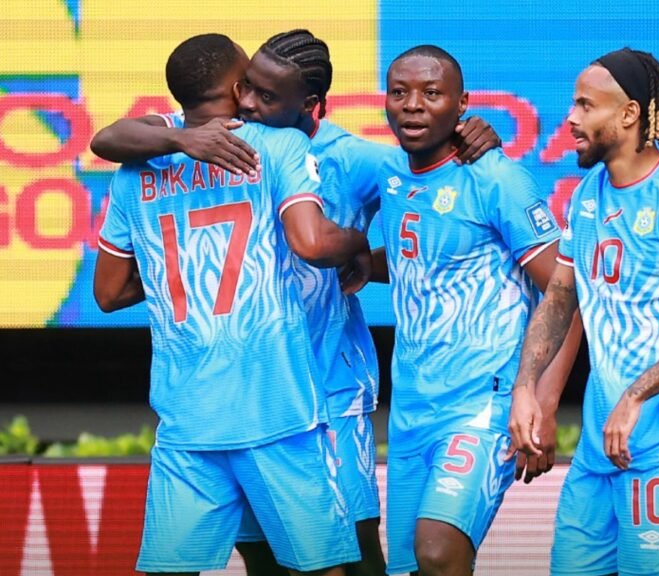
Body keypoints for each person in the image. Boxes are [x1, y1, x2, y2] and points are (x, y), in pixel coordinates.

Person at [90, 29, 502, 576]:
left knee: (353, 544)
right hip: (258, 392)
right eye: (246, 87)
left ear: (310, 104)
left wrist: (470, 136)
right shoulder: (198, 139)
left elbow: (435, 184)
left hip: (328, 384)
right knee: (267, 553)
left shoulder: (352, 158)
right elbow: (107, 138)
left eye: (263, 93)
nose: (248, 102)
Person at [92, 33, 369, 576]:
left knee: (172, 570)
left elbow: (108, 293)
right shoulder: (277, 146)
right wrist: (356, 242)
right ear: (240, 87)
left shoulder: (137, 166)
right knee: (322, 567)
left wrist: (181, 266)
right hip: (278, 408)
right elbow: (312, 244)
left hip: (187, 415)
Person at [508, 47, 659, 576]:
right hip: (598, 450)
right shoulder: (587, 193)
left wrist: (636, 395)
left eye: (586, 106)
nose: (571, 119)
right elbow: (559, 300)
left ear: (630, 114)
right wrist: (526, 388)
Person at [375, 44, 580, 576]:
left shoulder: (496, 179)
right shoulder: (390, 173)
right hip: (412, 411)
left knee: (437, 550)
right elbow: (428, 252)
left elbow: (567, 295)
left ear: (462, 103)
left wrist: (543, 404)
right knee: (414, 567)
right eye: (399, 93)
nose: (413, 105)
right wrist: (360, 263)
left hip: (482, 405)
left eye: (431, 93)